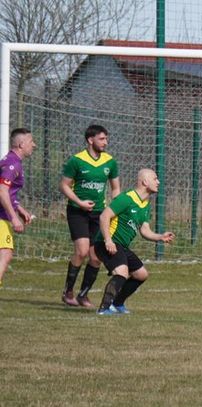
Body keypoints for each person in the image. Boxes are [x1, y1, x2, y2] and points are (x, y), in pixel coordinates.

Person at [94, 168, 175, 315]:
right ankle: (104, 308)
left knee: (141, 274)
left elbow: (145, 230)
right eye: (155, 179)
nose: (158, 182)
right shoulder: (126, 198)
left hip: (121, 246)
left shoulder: (145, 204)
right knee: (122, 273)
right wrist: (108, 241)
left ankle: (117, 304)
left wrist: (160, 237)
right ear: (145, 182)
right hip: (107, 243)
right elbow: (104, 216)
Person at [59, 124, 120, 308]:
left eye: (106, 138)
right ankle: (68, 291)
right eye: (101, 139)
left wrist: (114, 208)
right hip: (77, 211)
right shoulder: (77, 160)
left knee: (96, 257)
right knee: (82, 251)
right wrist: (79, 202)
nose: (105, 142)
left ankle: (83, 295)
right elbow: (64, 185)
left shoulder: (110, 162)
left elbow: (115, 188)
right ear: (90, 140)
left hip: (99, 214)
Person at [0, 128, 36, 288]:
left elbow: (8, 192)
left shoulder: (11, 161)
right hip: (1, 216)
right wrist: (14, 218)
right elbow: (2, 191)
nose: (34, 145)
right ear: (21, 144)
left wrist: (20, 209)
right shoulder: (12, 164)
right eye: (31, 141)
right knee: (5, 253)